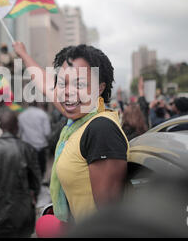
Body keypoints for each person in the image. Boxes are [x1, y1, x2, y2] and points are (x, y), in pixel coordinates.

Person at [13, 42, 129, 224]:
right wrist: (23, 54)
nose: (68, 92)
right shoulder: (78, 119)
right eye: (63, 83)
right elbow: (45, 84)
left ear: (100, 87)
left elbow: (108, 221)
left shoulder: (101, 129)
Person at [18, 101, 51, 177]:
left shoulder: (21, 115)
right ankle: (40, 185)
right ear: (37, 104)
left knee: (29, 171)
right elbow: (47, 133)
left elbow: (19, 133)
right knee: (41, 169)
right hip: (41, 147)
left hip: (27, 148)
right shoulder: (43, 114)